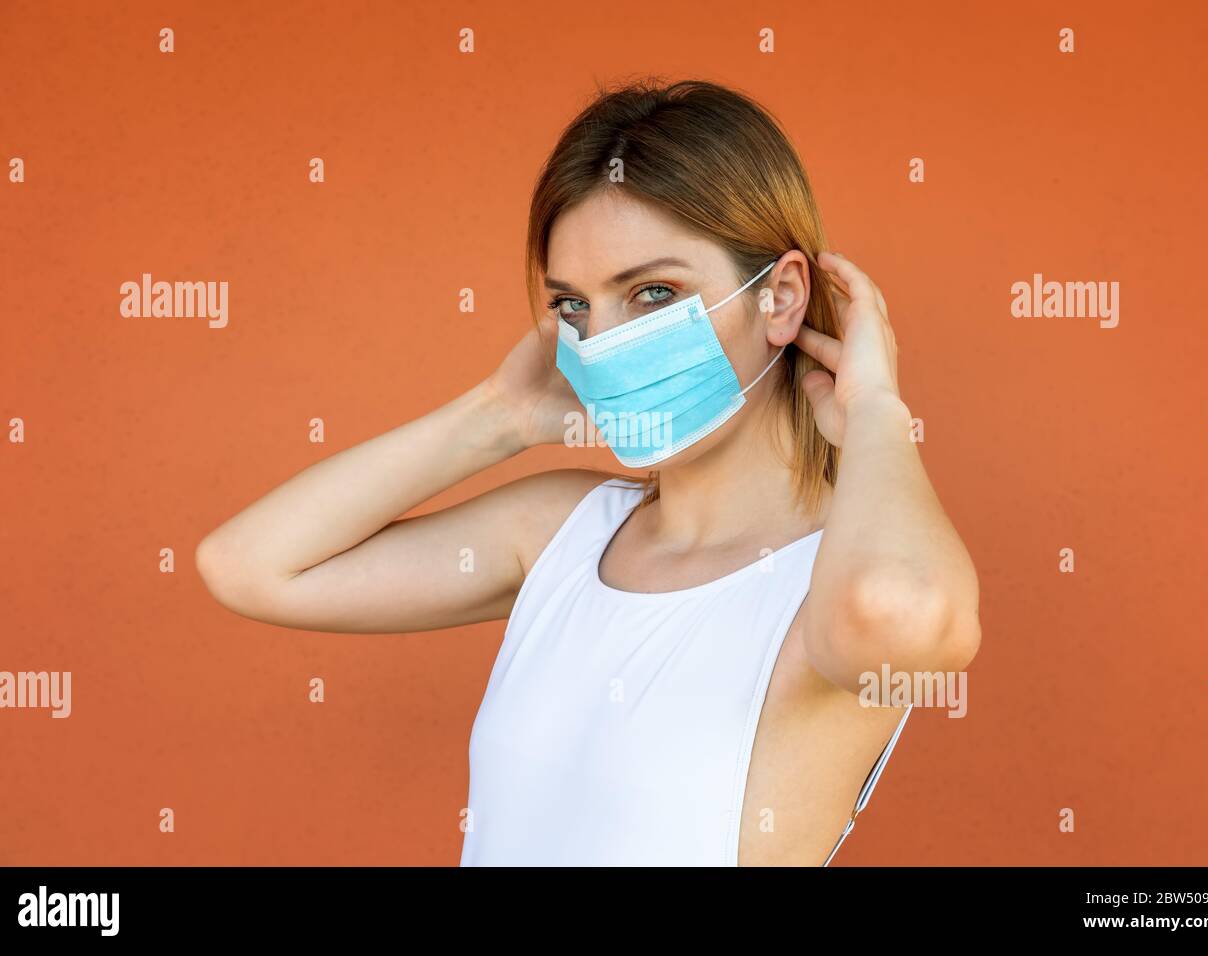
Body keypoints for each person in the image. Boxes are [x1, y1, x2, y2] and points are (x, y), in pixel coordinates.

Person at [196, 78, 982, 866]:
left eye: (652, 292)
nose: (602, 341)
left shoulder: (835, 581)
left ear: (779, 296)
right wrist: (495, 417)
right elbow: (250, 566)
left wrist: (877, 410)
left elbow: (905, 617)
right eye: (575, 306)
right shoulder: (560, 536)